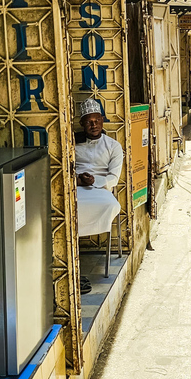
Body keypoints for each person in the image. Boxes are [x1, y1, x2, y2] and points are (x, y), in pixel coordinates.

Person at [74, 98, 124, 293]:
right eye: (88, 122)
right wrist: (78, 179)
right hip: (77, 186)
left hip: (101, 189)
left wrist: (95, 182)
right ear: (82, 124)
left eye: (96, 121)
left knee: (111, 206)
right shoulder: (73, 143)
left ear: (102, 121)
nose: (93, 125)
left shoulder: (113, 146)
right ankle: (73, 250)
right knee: (70, 208)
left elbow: (114, 176)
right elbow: (65, 168)